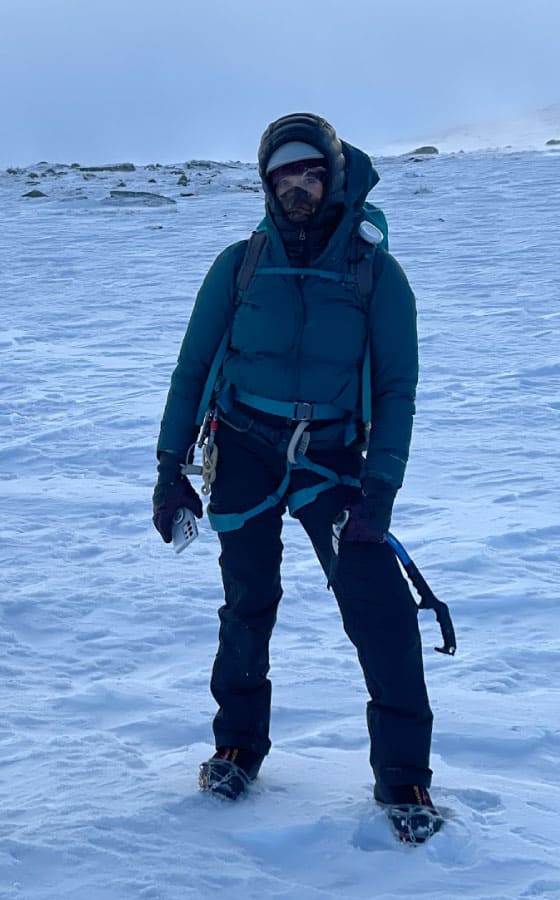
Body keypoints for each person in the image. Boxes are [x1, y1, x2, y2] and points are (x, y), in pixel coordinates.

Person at [151, 113, 439, 834]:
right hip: (244, 448)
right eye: (284, 176)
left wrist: (382, 489)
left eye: (312, 172)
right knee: (248, 602)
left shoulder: (375, 273)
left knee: (381, 614)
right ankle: (237, 748)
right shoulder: (240, 264)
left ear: (335, 176)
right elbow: (192, 368)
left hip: (333, 460)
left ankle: (404, 783)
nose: (298, 187)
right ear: (267, 184)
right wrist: (169, 464)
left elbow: (399, 386)